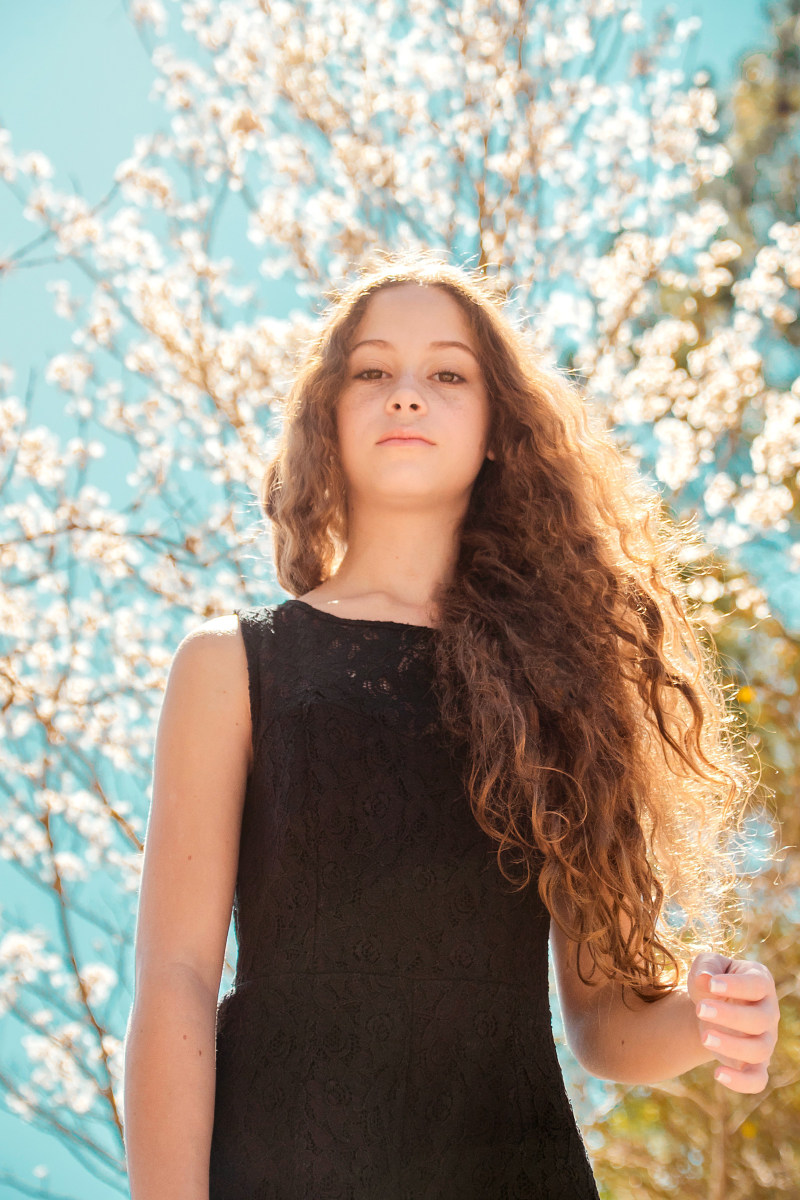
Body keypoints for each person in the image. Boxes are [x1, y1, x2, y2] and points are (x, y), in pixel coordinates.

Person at [123, 250, 780, 1199]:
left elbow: (605, 1026)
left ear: (498, 432)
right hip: (285, 1160)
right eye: (372, 370)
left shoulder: (566, 691)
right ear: (326, 416)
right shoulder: (229, 665)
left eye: (447, 373)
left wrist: (707, 1016)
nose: (405, 395)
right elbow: (176, 978)